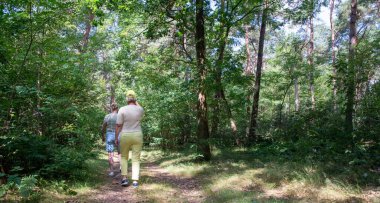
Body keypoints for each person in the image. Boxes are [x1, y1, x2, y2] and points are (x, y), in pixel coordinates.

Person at [115, 90, 144, 188]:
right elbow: (139, 108)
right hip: (137, 135)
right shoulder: (140, 109)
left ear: (126, 99)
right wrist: (136, 101)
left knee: (124, 157)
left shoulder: (122, 109)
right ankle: (135, 181)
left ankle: (124, 179)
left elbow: (118, 125)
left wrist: (116, 138)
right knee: (136, 159)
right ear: (135, 99)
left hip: (125, 135)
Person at [102, 102, 118, 176]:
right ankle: (121, 168)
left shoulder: (107, 116)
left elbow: (103, 127)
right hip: (118, 135)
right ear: (117, 108)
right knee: (120, 153)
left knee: (110, 153)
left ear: (111, 108)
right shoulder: (119, 116)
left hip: (109, 135)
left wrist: (103, 135)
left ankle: (112, 171)